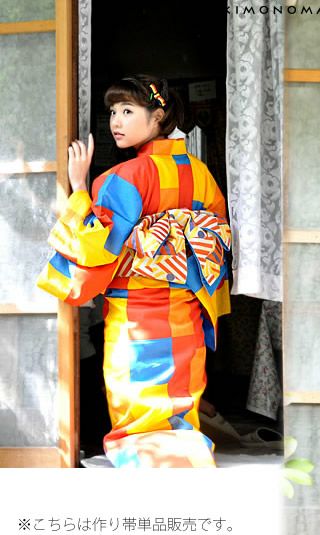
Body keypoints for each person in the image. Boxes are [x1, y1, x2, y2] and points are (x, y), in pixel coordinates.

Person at [38, 74, 231, 468]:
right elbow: (216, 244)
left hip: (137, 312)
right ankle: (185, 459)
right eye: (113, 112)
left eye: (128, 111)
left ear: (158, 116)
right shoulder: (202, 175)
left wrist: (79, 188)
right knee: (179, 395)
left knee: (136, 394)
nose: (116, 121)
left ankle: (147, 465)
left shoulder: (123, 178)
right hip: (186, 309)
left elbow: (95, 248)